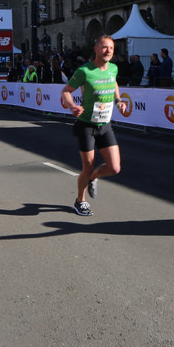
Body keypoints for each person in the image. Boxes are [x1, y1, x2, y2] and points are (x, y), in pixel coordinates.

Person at [60, 35, 127, 217]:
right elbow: (66, 91)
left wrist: (119, 101)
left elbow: (114, 82)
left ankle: (93, 178)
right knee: (87, 166)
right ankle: (80, 201)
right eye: (104, 47)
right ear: (96, 49)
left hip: (105, 125)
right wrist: (72, 106)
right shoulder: (84, 71)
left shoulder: (113, 68)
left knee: (114, 168)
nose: (108, 51)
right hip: (87, 125)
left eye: (111, 48)